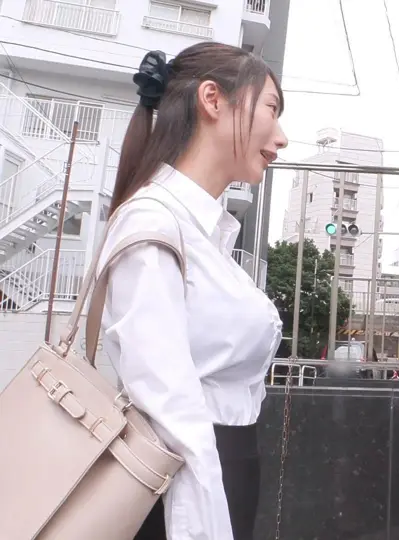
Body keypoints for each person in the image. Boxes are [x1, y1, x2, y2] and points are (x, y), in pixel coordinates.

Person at [98, 43, 288, 540]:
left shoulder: (203, 235)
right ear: (212, 99)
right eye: (271, 108)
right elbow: (172, 413)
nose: (281, 137)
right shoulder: (153, 222)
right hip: (187, 499)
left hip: (220, 481)